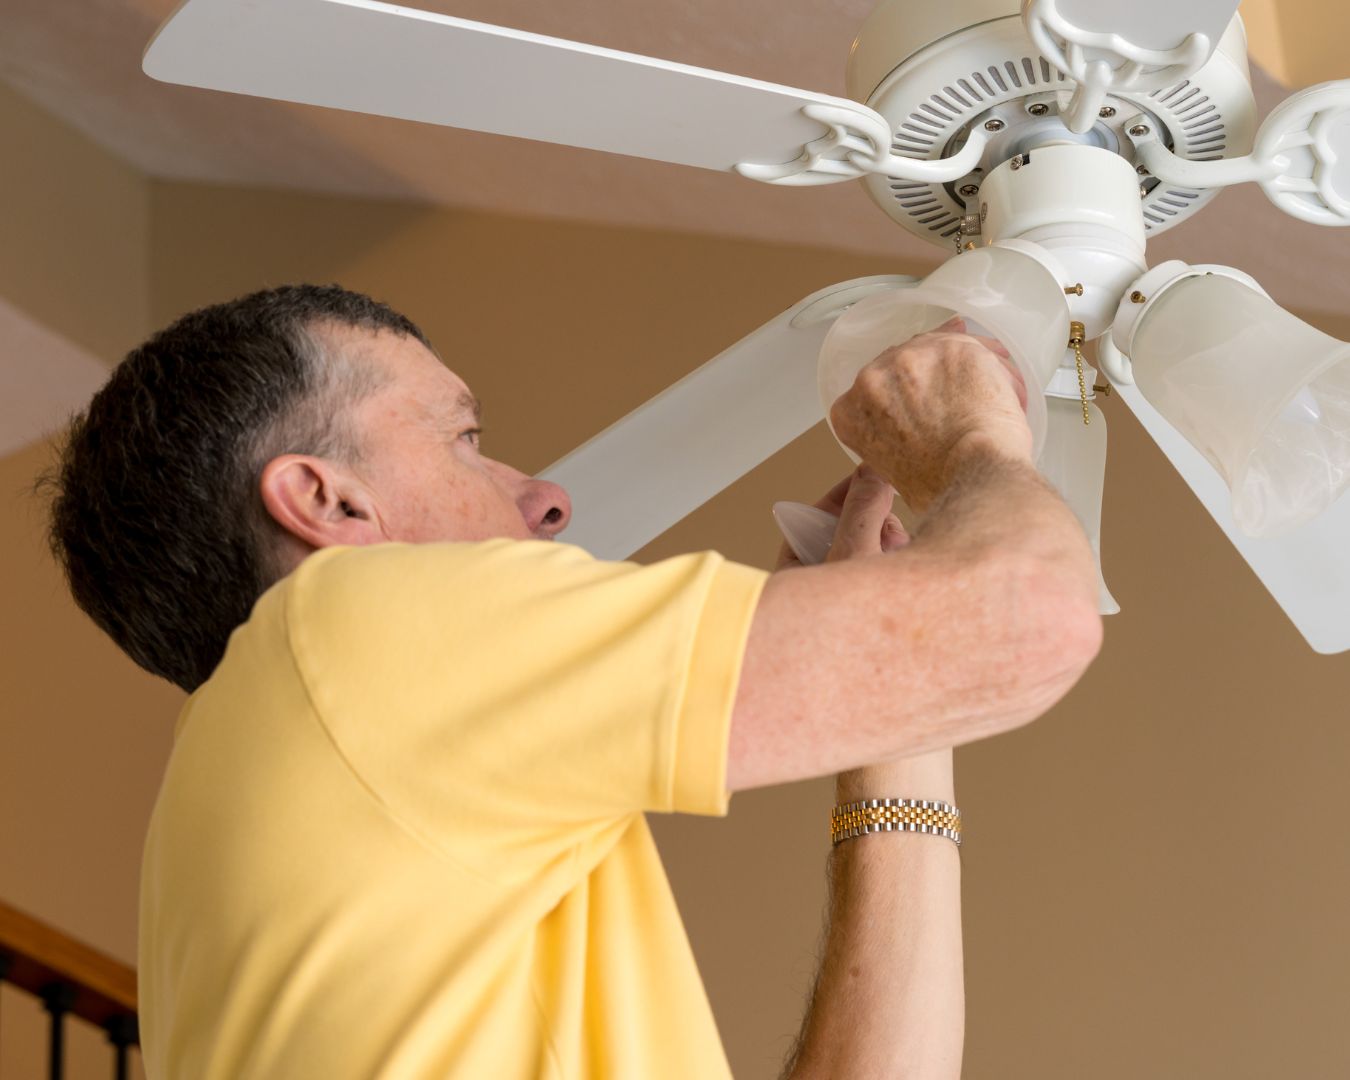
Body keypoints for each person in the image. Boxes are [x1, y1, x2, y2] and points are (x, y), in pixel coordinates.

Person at [43, 283, 1101, 1079]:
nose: (545, 498)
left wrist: (899, 727)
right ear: (327, 502)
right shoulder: (346, 628)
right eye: (466, 438)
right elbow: (1033, 618)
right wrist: (970, 441)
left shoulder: (337, 774)